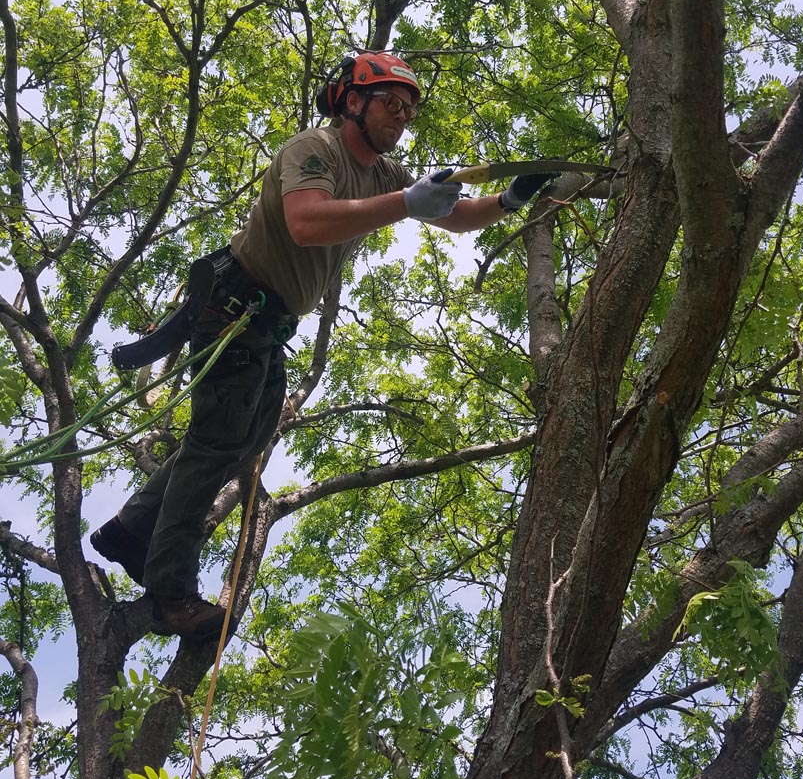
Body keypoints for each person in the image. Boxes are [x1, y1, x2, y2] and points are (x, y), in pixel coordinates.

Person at [90, 52, 557, 639]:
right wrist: (406, 203)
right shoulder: (314, 149)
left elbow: (457, 215)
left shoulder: (384, 176)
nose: (403, 115)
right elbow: (306, 223)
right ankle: (169, 593)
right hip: (233, 308)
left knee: (242, 442)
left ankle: (129, 532)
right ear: (353, 101)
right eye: (392, 101)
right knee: (215, 445)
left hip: (266, 325)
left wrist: (511, 199)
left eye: (410, 108)